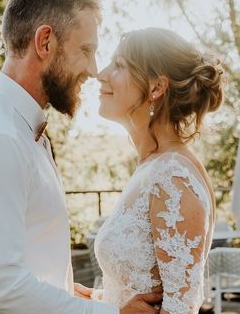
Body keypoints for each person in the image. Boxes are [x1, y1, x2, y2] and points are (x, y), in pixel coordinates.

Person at [0, 0, 161, 314]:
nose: (93, 70)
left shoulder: (21, 130)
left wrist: (70, 294)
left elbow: (24, 257)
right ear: (45, 42)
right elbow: (0, 286)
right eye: (86, 50)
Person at [93, 28, 223, 314]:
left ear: (155, 87)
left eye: (118, 66)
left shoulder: (173, 177)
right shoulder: (151, 166)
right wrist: (93, 300)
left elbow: (179, 309)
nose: (100, 74)